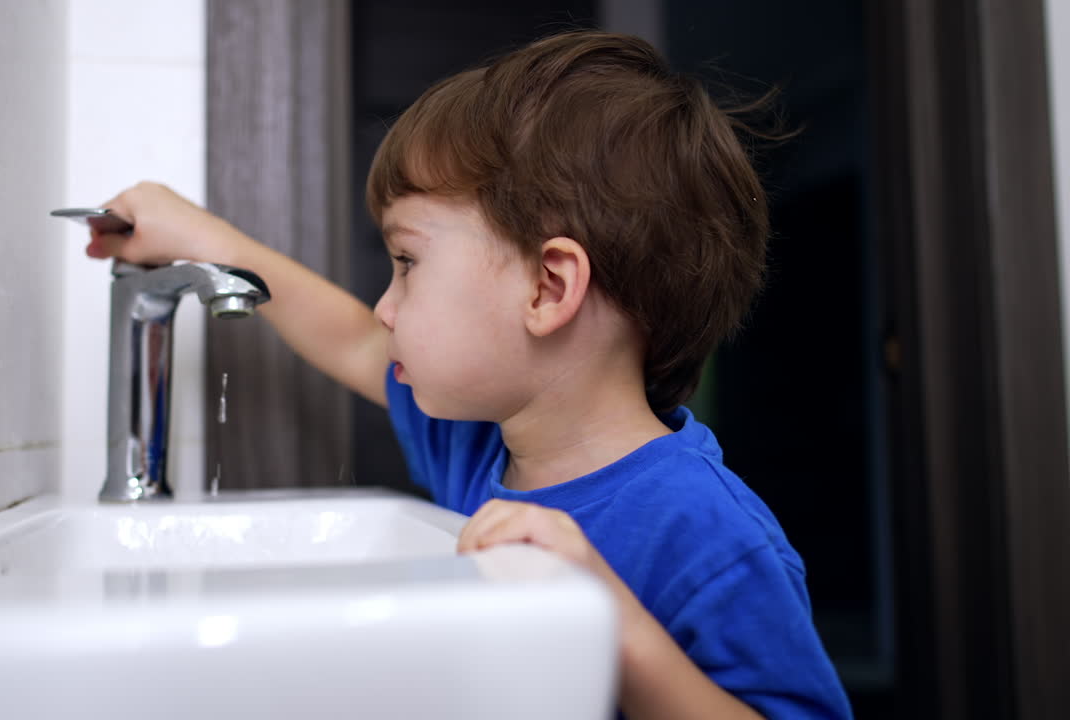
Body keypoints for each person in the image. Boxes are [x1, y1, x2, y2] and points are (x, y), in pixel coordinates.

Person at [86, 30, 852, 720]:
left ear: (548, 290)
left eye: (408, 263)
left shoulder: (708, 533)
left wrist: (614, 623)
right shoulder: (479, 443)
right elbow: (354, 341)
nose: (384, 308)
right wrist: (204, 237)